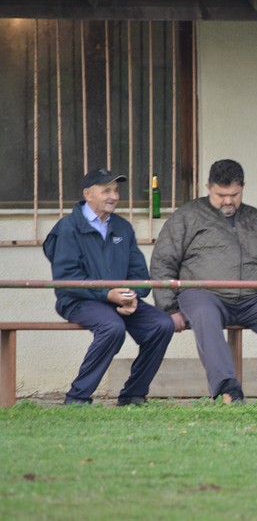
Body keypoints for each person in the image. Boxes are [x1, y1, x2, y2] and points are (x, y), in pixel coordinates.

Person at [150, 159, 257, 403]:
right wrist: (169, 307)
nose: (228, 201)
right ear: (208, 188)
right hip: (203, 294)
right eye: (220, 195)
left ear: (243, 188)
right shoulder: (187, 216)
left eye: (234, 195)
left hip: (256, 297)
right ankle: (227, 390)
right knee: (204, 312)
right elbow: (163, 261)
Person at [43, 168, 174, 406]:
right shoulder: (68, 227)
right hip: (77, 300)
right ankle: (78, 397)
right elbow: (67, 279)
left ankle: (133, 394)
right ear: (88, 194)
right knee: (112, 327)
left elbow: (139, 274)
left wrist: (131, 295)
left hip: (118, 300)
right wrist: (107, 294)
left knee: (162, 324)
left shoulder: (122, 227)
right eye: (106, 191)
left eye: (115, 190)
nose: (114, 196)